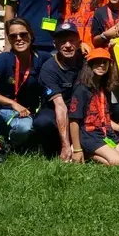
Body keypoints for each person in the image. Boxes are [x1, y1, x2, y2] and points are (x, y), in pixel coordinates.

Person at [68, 48, 119, 166]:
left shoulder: (104, 88)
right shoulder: (81, 89)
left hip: (107, 135)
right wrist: (77, 149)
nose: (101, 65)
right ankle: (87, 153)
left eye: (105, 62)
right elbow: (74, 121)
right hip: (90, 136)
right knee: (118, 162)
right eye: (97, 61)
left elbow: (105, 119)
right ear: (89, 64)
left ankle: (96, 154)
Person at [0, 18, 45, 159]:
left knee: (25, 128)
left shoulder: (41, 58)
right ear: (9, 40)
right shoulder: (4, 58)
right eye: (13, 36)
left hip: (23, 113)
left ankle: (13, 144)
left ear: (31, 35)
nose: (19, 39)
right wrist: (12, 103)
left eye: (23, 34)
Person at [32, 22, 83, 159]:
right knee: (43, 122)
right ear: (55, 44)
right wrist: (66, 145)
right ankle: (55, 149)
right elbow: (60, 107)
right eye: (62, 41)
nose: (67, 45)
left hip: (81, 110)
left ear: (79, 43)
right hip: (56, 109)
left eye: (71, 40)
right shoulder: (48, 68)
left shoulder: (86, 61)